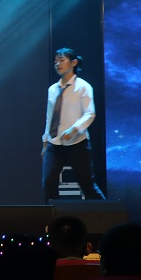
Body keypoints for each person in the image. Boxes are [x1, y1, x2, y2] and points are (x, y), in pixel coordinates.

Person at [41, 47, 105, 202]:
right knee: (48, 183)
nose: (57, 64)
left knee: (87, 185)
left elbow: (90, 114)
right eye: (55, 61)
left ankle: (107, 213)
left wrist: (75, 128)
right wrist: (45, 142)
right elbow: (50, 117)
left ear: (73, 62)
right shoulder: (52, 89)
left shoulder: (83, 87)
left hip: (77, 143)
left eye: (62, 60)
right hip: (54, 143)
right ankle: (54, 215)